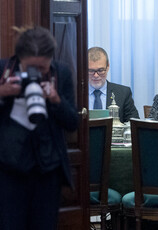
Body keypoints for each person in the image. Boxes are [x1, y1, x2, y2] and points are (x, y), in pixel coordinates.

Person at [0, 26, 78, 230]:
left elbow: (72, 123)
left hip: (47, 171)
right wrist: (3, 92)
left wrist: (55, 99)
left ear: (51, 60)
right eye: (30, 68)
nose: (36, 73)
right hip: (9, 171)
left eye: (42, 69)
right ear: (19, 58)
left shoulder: (61, 73)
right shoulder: (3, 70)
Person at [88, 47, 139, 123]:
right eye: (91, 71)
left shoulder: (123, 93)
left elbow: (133, 124)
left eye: (100, 70)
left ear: (107, 67)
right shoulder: (75, 94)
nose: (96, 75)